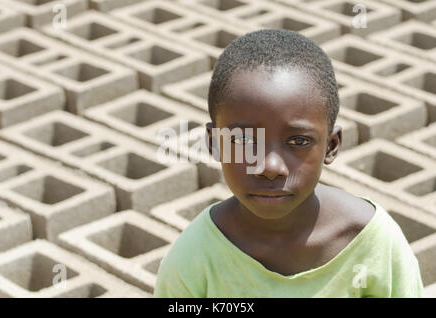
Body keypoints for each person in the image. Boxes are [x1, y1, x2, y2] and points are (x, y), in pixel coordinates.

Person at [153, 29, 425, 297]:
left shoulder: (372, 244)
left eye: (299, 141)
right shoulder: (196, 258)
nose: (270, 167)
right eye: (245, 141)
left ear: (331, 146)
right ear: (214, 143)